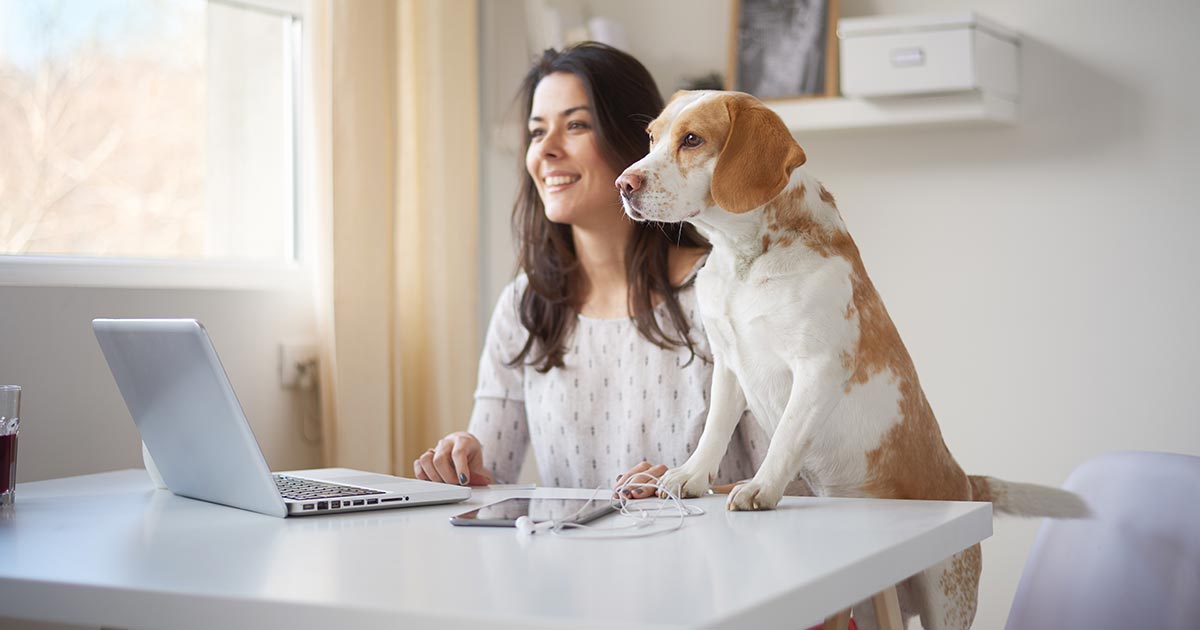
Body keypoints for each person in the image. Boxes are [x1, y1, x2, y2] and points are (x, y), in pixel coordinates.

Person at [413, 42, 776, 498]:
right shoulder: (525, 305)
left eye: (577, 125)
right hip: (567, 567)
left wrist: (683, 489)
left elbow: (791, 488)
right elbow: (491, 480)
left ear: (637, 144)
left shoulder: (726, 294)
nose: (546, 150)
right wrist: (464, 461)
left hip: (714, 565)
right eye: (537, 131)